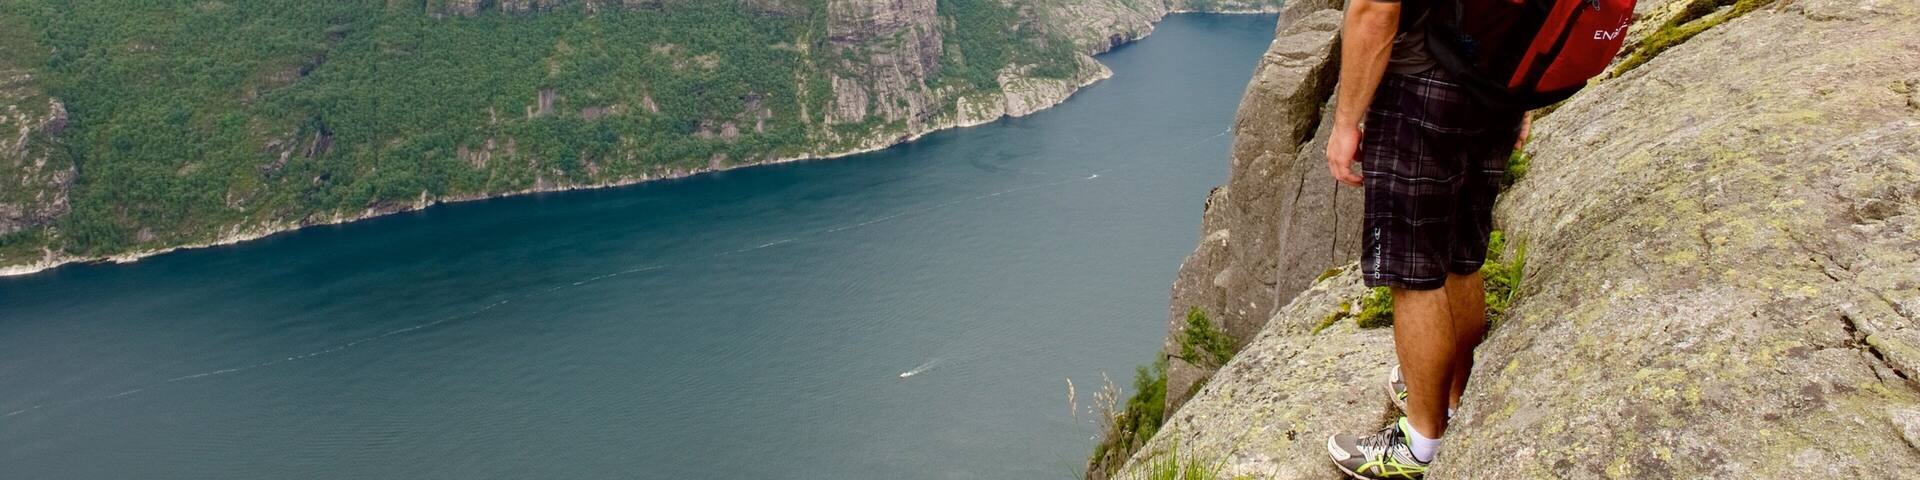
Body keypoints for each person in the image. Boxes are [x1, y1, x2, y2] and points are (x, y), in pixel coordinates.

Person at [1320, 0, 1529, 477]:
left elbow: (1375, 8)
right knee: (1460, 256)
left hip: (1421, 91)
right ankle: (1451, 398)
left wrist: (1346, 122)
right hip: (1495, 84)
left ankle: (1419, 445)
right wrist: (1523, 90)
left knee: (1414, 275)